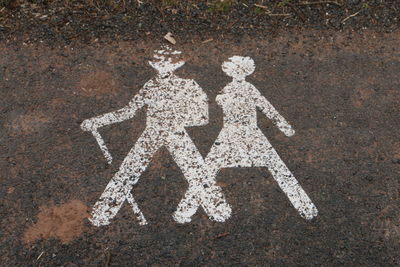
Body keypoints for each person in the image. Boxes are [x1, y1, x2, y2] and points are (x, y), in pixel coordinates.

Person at [81, 48, 230, 226]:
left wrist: (175, 119)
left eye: (168, 62)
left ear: (177, 64)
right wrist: (98, 121)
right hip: (152, 133)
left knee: (197, 172)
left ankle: (218, 209)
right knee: (128, 171)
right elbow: (128, 111)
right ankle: (103, 212)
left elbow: (202, 117)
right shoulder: (150, 85)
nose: (163, 66)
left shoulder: (188, 85)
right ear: (153, 64)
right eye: (158, 62)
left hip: (176, 132)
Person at [176, 56, 318, 220]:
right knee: (209, 170)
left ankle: (185, 210)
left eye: (241, 70)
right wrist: (285, 127)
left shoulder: (233, 90)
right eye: (236, 70)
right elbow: (265, 106)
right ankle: (306, 209)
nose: (238, 73)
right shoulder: (231, 90)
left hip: (242, 133)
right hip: (239, 133)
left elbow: (265, 106)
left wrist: (285, 127)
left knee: (209, 170)